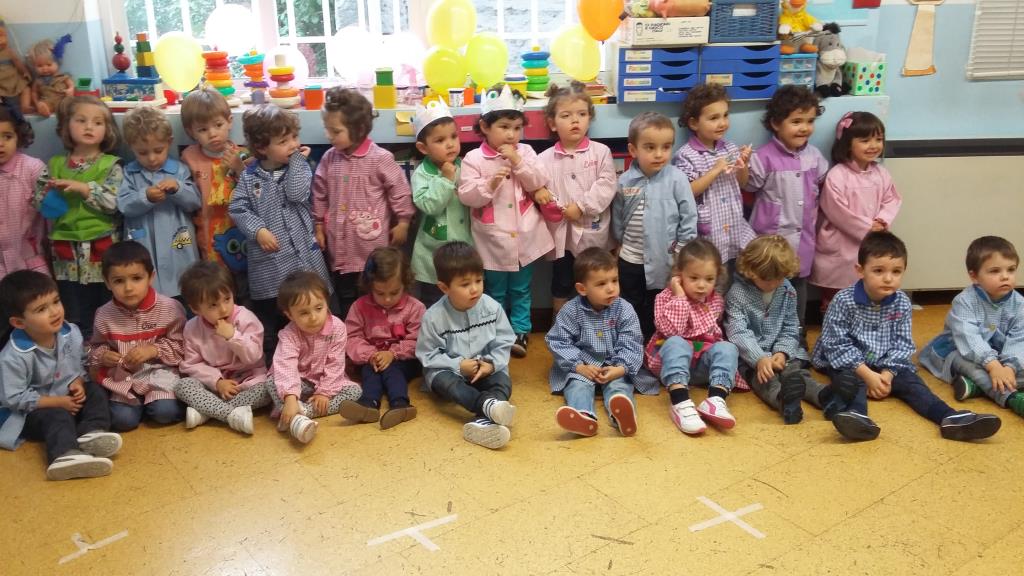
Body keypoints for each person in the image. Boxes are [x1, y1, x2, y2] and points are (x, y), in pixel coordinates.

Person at [812, 231, 1002, 442]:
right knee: (850, 382)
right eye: (878, 270)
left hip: (887, 363)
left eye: (896, 271)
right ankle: (857, 417)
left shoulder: (902, 302)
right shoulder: (843, 300)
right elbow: (836, 344)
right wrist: (867, 375)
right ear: (860, 270)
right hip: (851, 363)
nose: (888, 278)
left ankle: (949, 417)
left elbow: (903, 344)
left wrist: (887, 374)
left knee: (913, 384)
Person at [228, 104, 331, 364]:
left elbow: (297, 194)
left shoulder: (300, 167)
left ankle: (319, 360)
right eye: (284, 141)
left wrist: (296, 160)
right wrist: (258, 230)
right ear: (262, 147)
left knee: (313, 310)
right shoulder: (249, 177)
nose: (293, 145)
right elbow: (238, 208)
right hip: (270, 266)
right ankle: (276, 367)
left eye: (294, 137)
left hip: (303, 260)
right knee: (273, 321)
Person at [458, 83, 553, 357]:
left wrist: (518, 162)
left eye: (517, 128)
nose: (511, 134)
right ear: (485, 127)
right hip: (491, 240)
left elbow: (539, 180)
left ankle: (520, 331)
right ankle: (496, 333)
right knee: (494, 291)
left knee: (522, 289)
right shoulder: (474, 158)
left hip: (524, 238)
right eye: (503, 127)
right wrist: (489, 184)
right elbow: (467, 195)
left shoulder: (527, 153)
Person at [0, 270, 122, 480]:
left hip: (66, 400)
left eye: (56, 301)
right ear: (19, 323)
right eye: (41, 309)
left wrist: (78, 381)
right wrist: (57, 402)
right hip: (30, 413)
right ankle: (64, 455)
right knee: (57, 415)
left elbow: (80, 364)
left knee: (95, 390)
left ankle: (92, 433)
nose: (54, 312)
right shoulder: (13, 356)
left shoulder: (70, 331)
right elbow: (13, 398)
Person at [313, 87, 414, 320]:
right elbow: (319, 193)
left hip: (370, 249)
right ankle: (350, 334)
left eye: (335, 131)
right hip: (339, 248)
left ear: (358, 129)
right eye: (327, 129)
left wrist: (403, 222)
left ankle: (376, 334)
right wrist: (318, 225)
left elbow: (400, 191)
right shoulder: (329, 159)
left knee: (373, 296)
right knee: (345, 297)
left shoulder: (380, 158)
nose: (328, 135)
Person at [34, 95, 123, 339]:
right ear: (66, 126)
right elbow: (40, 204)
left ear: (107, 130)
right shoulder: (55, 164)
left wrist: (84, 189)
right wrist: (48, 195)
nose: (88, 127)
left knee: (107, 302)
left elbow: (115, 203)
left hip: (101, 246)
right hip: (66, 250)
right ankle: (79, 347)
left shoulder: (110, 164)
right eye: (81, 120)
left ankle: (108, 345)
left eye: (97, 122)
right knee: (73, 307)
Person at [415, 241, 517, 449]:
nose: (474, 289)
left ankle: (483, 422)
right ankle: (486, 406)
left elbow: (504, 341)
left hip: (485, 368)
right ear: (444, 288)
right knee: (446, 383)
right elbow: (427, 354)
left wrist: (491, 364)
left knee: (503, 382)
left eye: (479, 280)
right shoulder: (433, 317)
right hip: (450, 371)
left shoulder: (492, 307)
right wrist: (458, 365)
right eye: (465, 284)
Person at [744, 85, 828, 328]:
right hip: (771, 238)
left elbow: (823, 182)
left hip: (803, 239)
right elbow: (749, 186)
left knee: (798, 284)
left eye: (810, 121)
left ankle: (796, 331)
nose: (804, 128)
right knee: (766, 285)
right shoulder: (764, 157)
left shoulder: (814, 156)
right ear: (775, 123)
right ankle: (762, 330)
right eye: (796, 121)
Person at [612, 111, 698, 341]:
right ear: (633, 150)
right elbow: (617, 216)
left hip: (665, 260)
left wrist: (681, 250)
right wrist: (618, 243)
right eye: (650, 147)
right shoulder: (624, 181)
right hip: (630, 259)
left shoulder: (677, 179)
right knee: (630, 302)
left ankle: (654, 344)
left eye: (666, 147)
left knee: (657, 303)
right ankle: (630, 342)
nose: (659, 154)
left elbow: (689, 217)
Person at [88, 241, 187, 431]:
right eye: (119, 281)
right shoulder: (103, 314)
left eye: (136, 278)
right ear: (107, 282)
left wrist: (153, 350)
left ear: (151, 277)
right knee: (123, 420)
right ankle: (138, 407)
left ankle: (153, 404)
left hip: (160, 375)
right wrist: (103, 356)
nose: (128, 288)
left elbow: (182, 346)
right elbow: (95, 347)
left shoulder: (170, 308)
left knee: (165, 412)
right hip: (123, 379)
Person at [920, 236, 1024, 417]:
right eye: (995, 271)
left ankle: (975, 387)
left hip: (1001, 354)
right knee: (971, 367)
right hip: (961, 351)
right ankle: (1011, 397)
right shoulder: (964, 301)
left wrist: (1010, 367)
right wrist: (993, 366)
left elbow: (1019, 338)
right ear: (974, 276)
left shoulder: (1019, 303)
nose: (1005, 276)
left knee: (1017, 361)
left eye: (1011, 269)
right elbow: (969, 338)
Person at [726, 235, 825, 424]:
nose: (773, 284)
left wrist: (782, 352)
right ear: (750, 271)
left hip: (783, 354)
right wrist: (759, 358)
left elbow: (791, 326)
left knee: (795, 373)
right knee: (765, 380)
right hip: (751, 358)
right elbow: (738, 332)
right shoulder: (736, 294)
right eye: (766, 279)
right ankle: (784, 402)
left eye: (779, 278)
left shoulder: (787, 290)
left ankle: (823, 396)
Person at [545, 247, 644, 437]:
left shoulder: (624, 309)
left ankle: (621, 413)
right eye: (601, 283)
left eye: (614, 280)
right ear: (582, 289)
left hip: (614, 365)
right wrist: (578, 366)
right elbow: (558, 341)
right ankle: (584, 416)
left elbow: (632, 341)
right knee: (577, 386)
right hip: (583, 366)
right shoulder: (570, 310)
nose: (611, 288)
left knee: (619, 385)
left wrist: (621, 368)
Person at [538, 81, 617, 315]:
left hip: (594, 236)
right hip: (563, 238)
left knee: (597, 280)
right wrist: (549, 202)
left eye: (582, 114)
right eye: (566, 115)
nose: (575, 121)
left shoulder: (601, 152)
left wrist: (582, 206)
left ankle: (600, 322)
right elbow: (540, 190)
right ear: (552, 123)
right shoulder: (543, 160)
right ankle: (560, 323)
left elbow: (606, 185)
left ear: (589, 118)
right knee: (562, 282)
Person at [646, 239, 741, 435]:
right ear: (679, 274)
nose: (701, 286)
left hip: (700, 365)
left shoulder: (716, 300)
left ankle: (716, 399)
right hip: (671, 363)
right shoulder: (665, 297)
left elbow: (713, 335)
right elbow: (671, 331)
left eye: (709, 279)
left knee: (728, 347)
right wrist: (680, 296)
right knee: (676, 342)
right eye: (694, 278)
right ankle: (679, 401)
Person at [810, 111, 900, 311]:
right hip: (841, 242)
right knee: (836, 292)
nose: (873, 145)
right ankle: (833, 321)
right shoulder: (837, 175)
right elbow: (837, 210)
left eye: (878, 139)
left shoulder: (881, 174)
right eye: (865, 140)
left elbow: (892, 199)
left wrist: (882, 221)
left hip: (872, 240)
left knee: (867, 285)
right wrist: (868, 227)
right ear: (848, 143)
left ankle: (863, 321)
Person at [674, 83, 755, 289]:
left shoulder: (730, 148)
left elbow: (742, 183)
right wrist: (715, 170)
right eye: (713, 118)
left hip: (734, 226)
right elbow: (687, 191)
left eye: (725, 115)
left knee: (737, 281)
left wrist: (743, 165)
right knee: (714, 284)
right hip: (710, 232)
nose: (722, 123)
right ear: (694, 123)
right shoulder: (686, 155)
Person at [265, 271, 361, 444]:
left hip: (325, 381)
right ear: (289, 315)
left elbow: (335, 364)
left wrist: (325, 393)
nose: (313, 317)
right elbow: (286, 366)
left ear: (326, 303)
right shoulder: (289, 335)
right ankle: (290, 409)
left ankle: (301, 413)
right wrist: (290, 397)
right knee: (272, 381)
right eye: (303, 313)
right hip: (299, 381)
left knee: (355, 391)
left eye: (319, 308)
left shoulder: (337, 328)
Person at [175, 261, 269, 435]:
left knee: (268, 389)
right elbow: (192, 365)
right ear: (195, 308)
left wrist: (233, 336)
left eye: (227, 299)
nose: (224, 309)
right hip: (214, 387)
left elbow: (254, 356)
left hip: (248, 380)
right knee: (183, 385)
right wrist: (217, 382)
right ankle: (230, 414)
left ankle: (207, 413)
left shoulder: (246, 318)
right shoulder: (192, 328)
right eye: (213, 305)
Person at [117, 106, 201, 299]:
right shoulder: (130, 173)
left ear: (169, 142)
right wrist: (145, 196)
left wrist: (178, 188)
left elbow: (194, 202)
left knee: (184, 288)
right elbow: (124, 205)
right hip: (142, 242)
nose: (152, 158)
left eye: (158, 150)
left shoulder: (180, 170)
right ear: (131, 147)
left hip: (178, 244)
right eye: (142, 152)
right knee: (145, 288)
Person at [340, 247, 424, 430]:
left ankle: (400, 404)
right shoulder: (359, 307)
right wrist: (371, 355)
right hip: (371, 359)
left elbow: (418, 340)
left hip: (404, 360)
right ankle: (368, 404)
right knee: (370, 371)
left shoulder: (415, 308)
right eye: (380, 293)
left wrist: (392, 354)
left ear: (405, 284)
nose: (387, 299)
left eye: (394, 293)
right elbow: (352, 337)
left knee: (393, 370)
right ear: (369, 286)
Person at [179, 87, 251, 298]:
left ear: (229, 122)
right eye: (203, 129)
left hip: (241, 232)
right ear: (191, 132)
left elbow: (256, 192)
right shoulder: (190, 157)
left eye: (218, 125)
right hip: (209, 235)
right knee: (216, 287)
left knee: (244, 286)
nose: (212, 134)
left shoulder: (242, 154)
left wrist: (239, 169)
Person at [410, 99, 471, 309]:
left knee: (463, 297)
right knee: (434, 301)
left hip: (464, 248)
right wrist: (445, 179)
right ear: (423, 148)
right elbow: (430, 206)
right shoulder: (421, 174)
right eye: (440, 140)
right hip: (432, 254)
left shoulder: (466, 166)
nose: (450, 144)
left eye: (454, 136)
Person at [0, 102, 48, 280]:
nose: (1, 144)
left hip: (28, 261)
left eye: (7, 136)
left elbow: (51, 213)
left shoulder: (32, 168)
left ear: (18, 137)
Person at [26, 36, 73, 118]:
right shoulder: (38, 81)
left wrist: (70, 90)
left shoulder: (62, 77)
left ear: (57, 63)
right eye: (39, 66)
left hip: (63, 100)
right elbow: (34, 92)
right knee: (44, 104)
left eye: (49, 64)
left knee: (70, 104)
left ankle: (67, 110)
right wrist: (36, 103)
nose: (44, 68)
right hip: (48, 102)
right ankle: (43, 108)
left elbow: (71, 85)